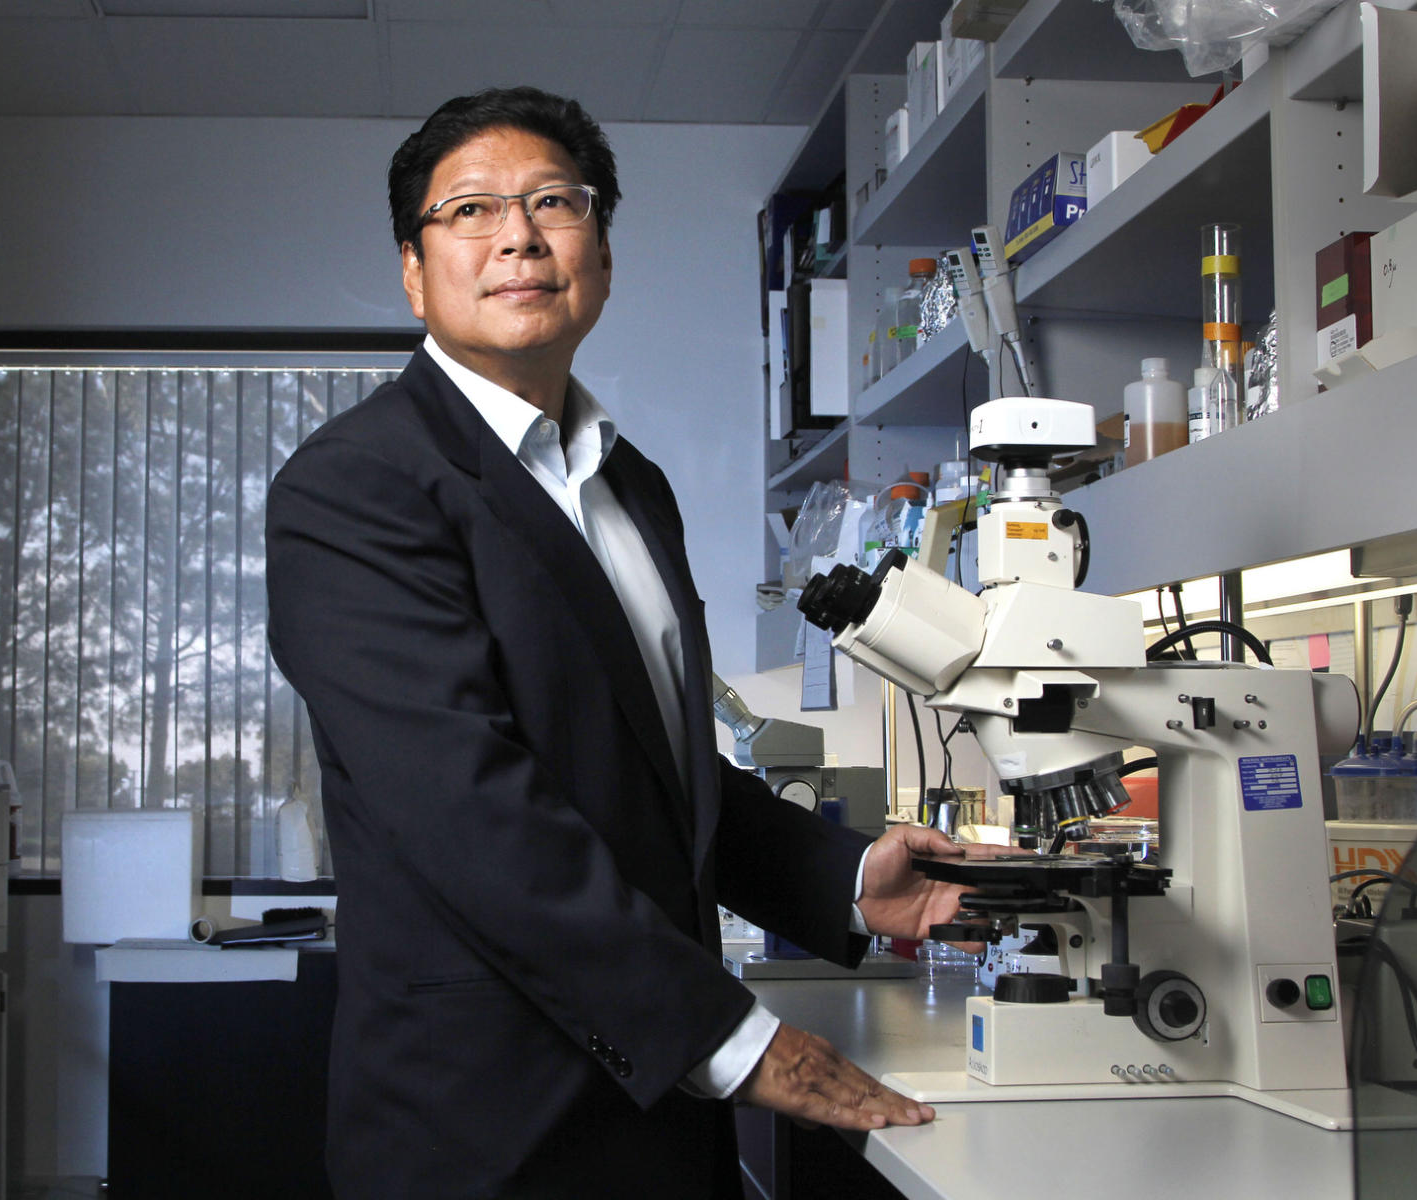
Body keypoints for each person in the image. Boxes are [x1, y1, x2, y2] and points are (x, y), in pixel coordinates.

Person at [266, 85, 977, 1199]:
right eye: (470, 211)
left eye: (555, 201)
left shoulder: (627, 485)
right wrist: (734, 1039)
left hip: (660, 1117)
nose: (518, 235)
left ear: (598, 250)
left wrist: (846, 879)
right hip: (488, 1127)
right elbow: (468, 814)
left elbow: (657, 774)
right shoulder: (358, 484)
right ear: (414, 268)